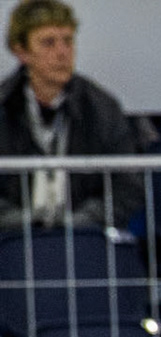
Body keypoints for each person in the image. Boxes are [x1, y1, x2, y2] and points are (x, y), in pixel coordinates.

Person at [0, 0, 141, 231]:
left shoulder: (102, 108)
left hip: (85, 235)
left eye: (68, 41)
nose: (62, 52)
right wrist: (23, 221)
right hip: (11, 239)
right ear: (21, 52)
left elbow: (128, 186)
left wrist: (85, 221)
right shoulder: (4, 106)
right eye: (48, 43)